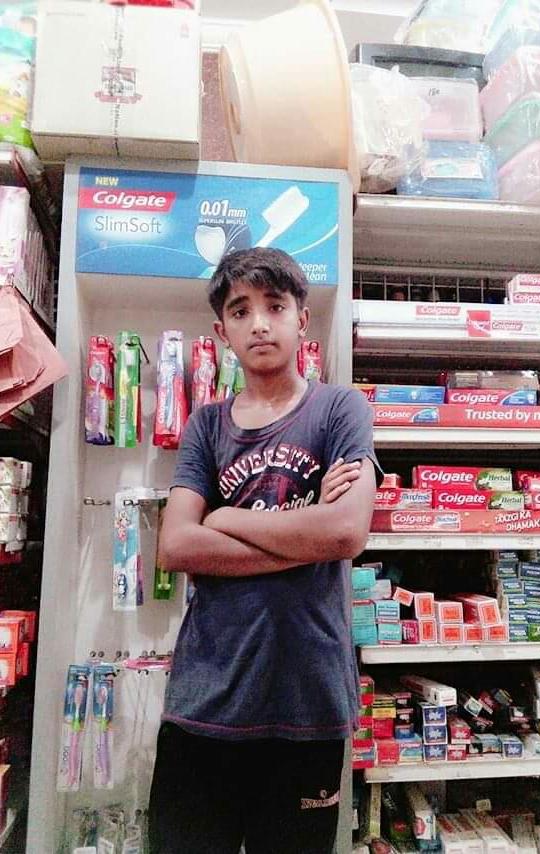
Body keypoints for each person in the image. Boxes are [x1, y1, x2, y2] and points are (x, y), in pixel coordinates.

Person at [149, 247, 380, 854]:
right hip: (207, 696)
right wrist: (308, 531)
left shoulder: (341, 409)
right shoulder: (206, 425)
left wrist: (226, 518)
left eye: (275, 306)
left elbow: (346, 533)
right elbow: (176, 544)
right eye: (240, 310)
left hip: (308, 700)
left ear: (302, 319)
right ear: (221, 331)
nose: (259, 323)